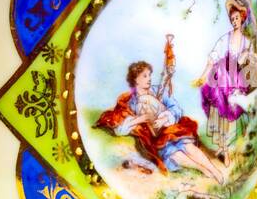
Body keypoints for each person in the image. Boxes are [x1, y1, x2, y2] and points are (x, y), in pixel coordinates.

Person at [95, 61, 227, 183]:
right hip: (155, 138)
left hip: (171, 128)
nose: (149, 78)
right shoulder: (131, 102)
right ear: (135, 79)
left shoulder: (159, 91)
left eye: (149, 75)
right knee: (173, 153)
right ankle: (201, 168)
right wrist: (141, 119)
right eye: (145, 76)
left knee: (187, 146)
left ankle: (214, 170)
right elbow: (120, 129)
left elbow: (176, 108)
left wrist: (164, 118)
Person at [194, 0, 256, 158]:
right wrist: (203, 76)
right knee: (218, 108)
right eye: (232, 19)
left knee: (231, 109)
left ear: (242, 18)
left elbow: (250, 63)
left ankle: (227, 147)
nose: (234, 21)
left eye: (237, 18)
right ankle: (222, 145)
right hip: (221, 76)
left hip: (237, 80)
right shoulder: (225, 39)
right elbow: (213, 57)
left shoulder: (247, 42)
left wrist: (248, 58)